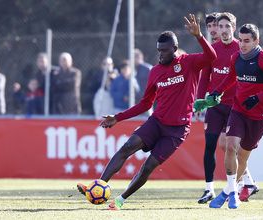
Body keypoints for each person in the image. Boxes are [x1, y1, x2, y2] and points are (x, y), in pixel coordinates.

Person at [77, 14, 217, 210]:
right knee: (127, 147)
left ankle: (120, 200)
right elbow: (144, 104)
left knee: (148, 167)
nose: (161, 54)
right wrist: (117, 118)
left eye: (165, 51)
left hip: (177, 130)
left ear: (175, 49)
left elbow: (212, 57)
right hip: (157, 122)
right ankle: (99, 185)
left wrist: (199, 36)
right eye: (159, 50)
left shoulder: (189, 63)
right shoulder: (155, 71)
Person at [209, 24, 263, 209]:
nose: (242, 44)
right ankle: (233, 193)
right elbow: (231, 77)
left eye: (247, 41)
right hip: (238, 110)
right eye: (240, 40)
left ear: (256, 41)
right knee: (230, 146)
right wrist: (217, 91)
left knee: (242, 156)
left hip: (260, 115)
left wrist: (258, 97)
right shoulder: (236, 57)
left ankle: (226, 191)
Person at [196, 12, 257, 204]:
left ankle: (241, 184)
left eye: (226, 27)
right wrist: (200, 102)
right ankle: (210, 189)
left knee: (226, 144)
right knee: (210, 146)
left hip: (234, 106)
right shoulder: (211, 50)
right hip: (214, 106)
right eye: (219, 27)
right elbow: (204, 77)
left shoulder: (240, 50)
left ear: (233, 28)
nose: (222, 30)